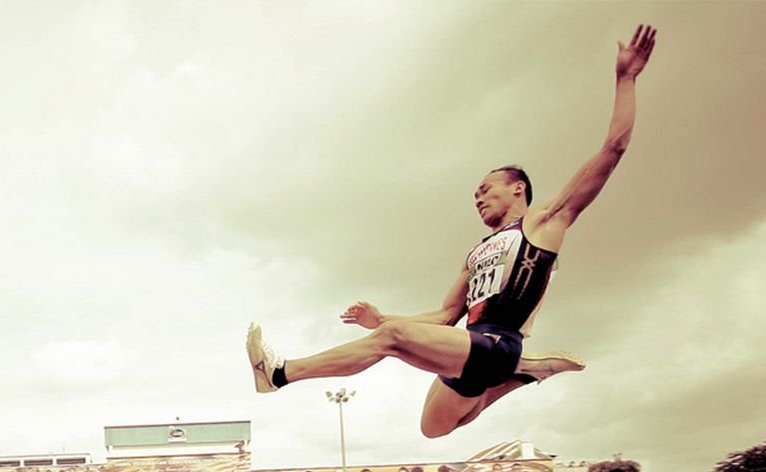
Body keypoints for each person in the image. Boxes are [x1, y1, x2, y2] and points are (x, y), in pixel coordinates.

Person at [246, 25, 657, 438]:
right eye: (475, 195)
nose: (478, 198)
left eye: (486, 189)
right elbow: (445, 316)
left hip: (499, 343)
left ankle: (281, 373)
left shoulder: (545, 221)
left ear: (518, 188)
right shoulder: (475, 253)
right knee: (434, 426)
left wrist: (625, 79)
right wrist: (381, 318)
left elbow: (612, 149)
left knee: (392, 338)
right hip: (469, 348)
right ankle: (520, 376)